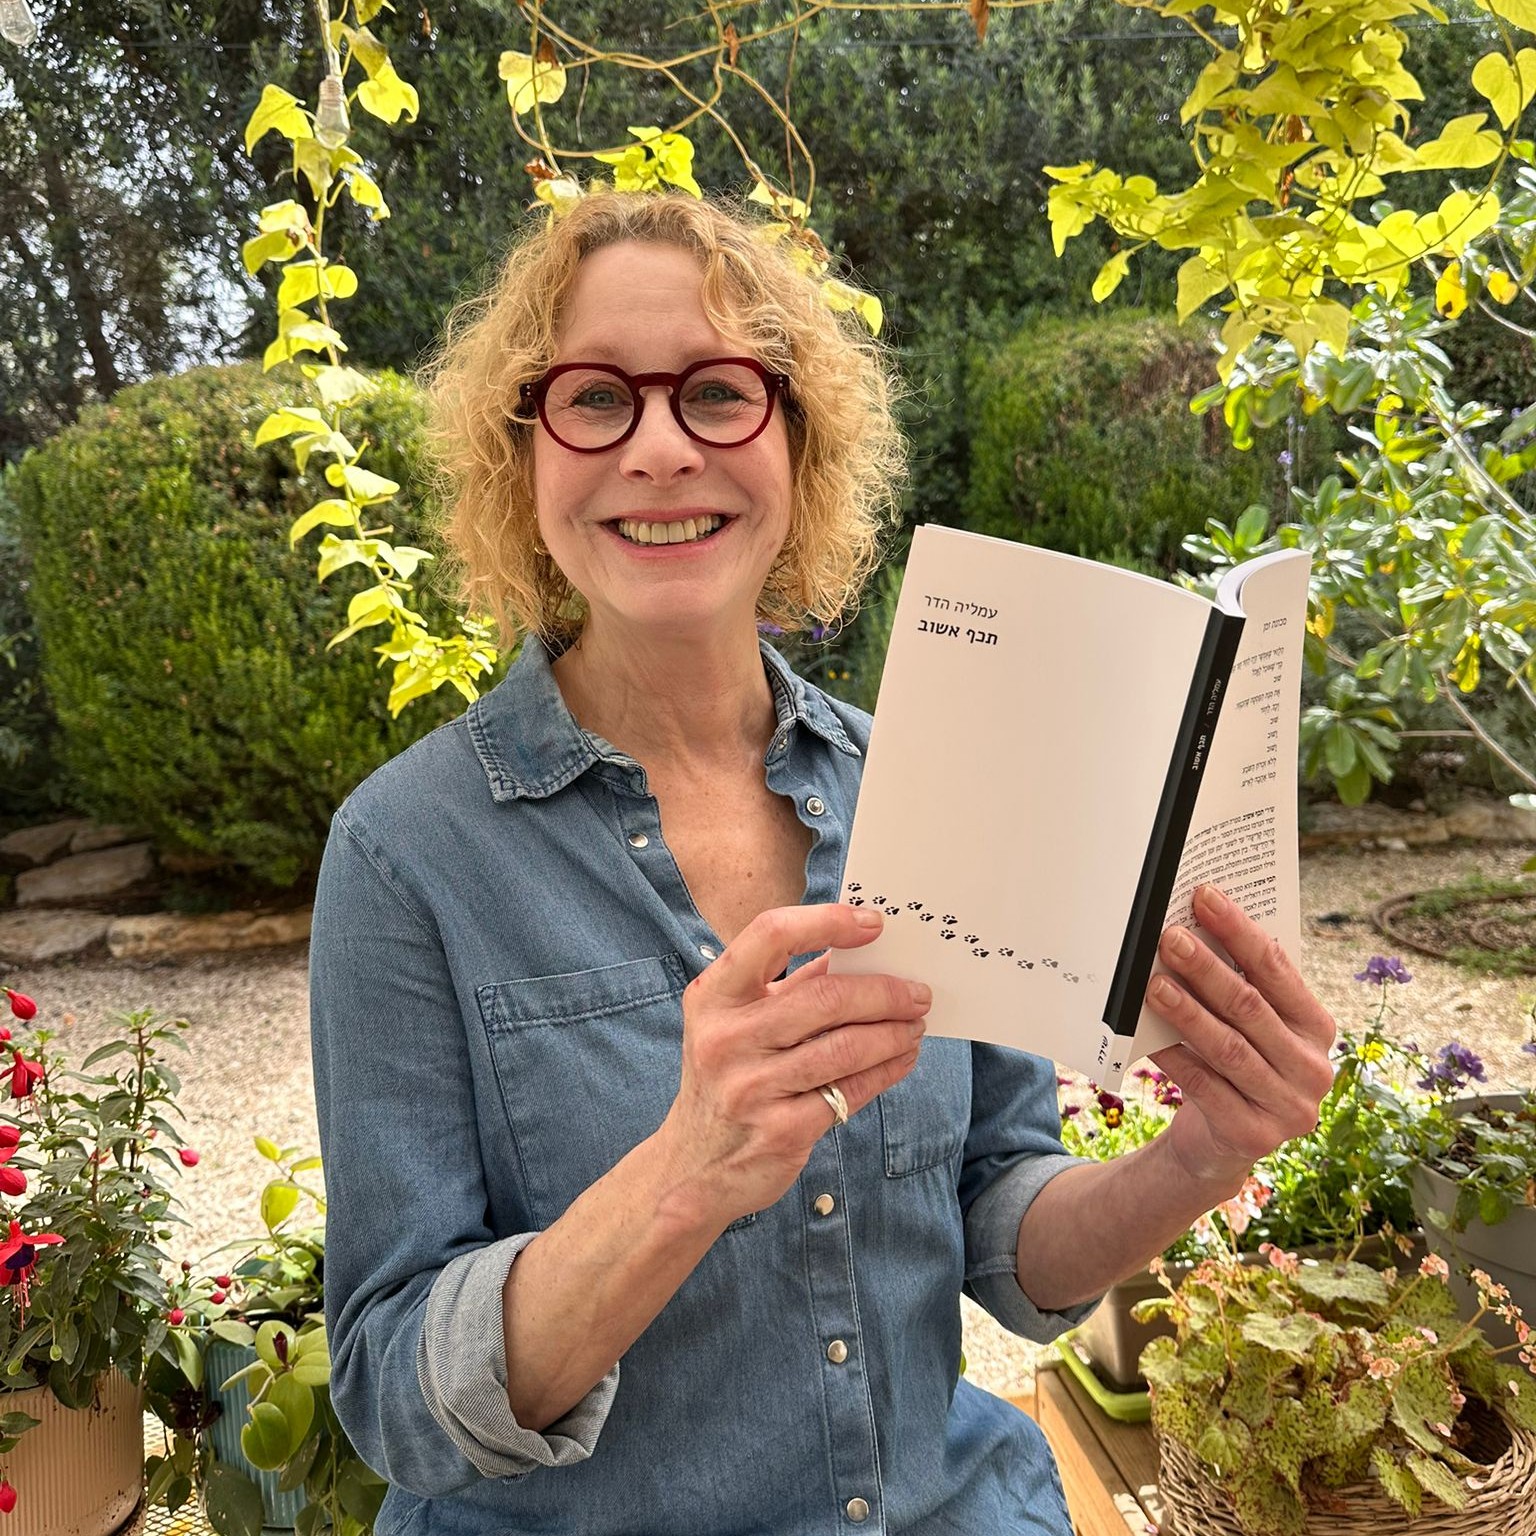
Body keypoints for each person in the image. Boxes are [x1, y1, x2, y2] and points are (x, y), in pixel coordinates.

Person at [308, 190, 1337, 1536]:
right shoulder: (404, 855)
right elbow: (393, 1393)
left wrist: (1203, 1152)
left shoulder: (922, 783)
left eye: (719, 393)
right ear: (522, 459)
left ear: (799, 444)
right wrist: (687, 1170)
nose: (662, 449)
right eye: (596, 399)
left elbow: (1007, 1232)